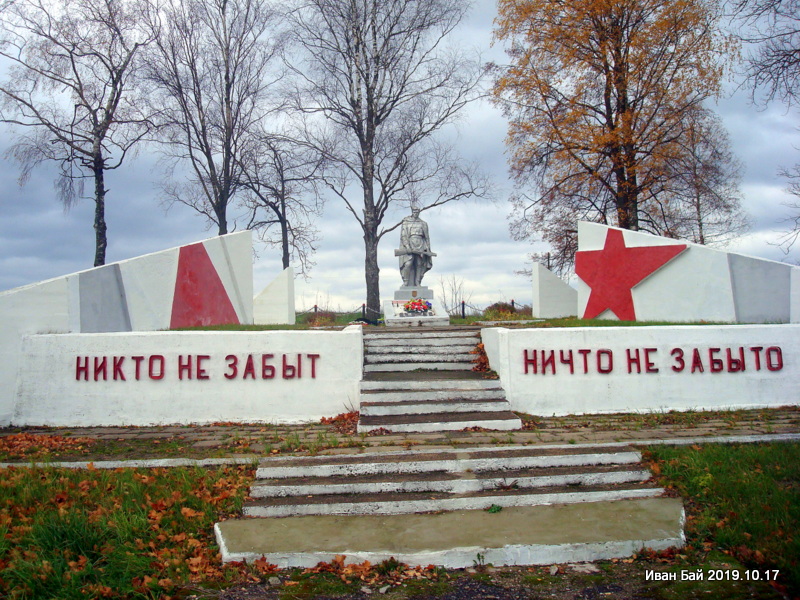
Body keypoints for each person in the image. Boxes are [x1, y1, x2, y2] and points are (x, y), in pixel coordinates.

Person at [396, 207, 435, 287]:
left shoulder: (423, 223)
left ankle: (418, 282)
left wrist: (428, 248)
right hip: (410, 244)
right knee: (408, 263)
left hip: (420, 244)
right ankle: (406, 282)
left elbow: (427, 237)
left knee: (419, 264)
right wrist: (407, 246)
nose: (415, 213)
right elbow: (403, 235)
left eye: (417, 211)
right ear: (412, 212)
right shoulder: (406, 222)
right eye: (414, 211)